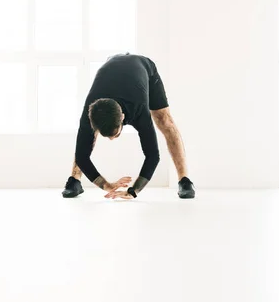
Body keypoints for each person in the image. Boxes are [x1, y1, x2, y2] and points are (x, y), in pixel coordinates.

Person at [61, 53, 195, 200]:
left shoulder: (139, 109)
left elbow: (153, 155)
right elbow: (81, 156)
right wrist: (106, 185)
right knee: (88, 134)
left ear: (123, 118)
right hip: (112, 67)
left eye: (114, 134)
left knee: (164, 120)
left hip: (143, 67)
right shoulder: (91, 110)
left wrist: (134, 190)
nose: (112, 139)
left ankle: (185, 180)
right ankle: (74, 179)